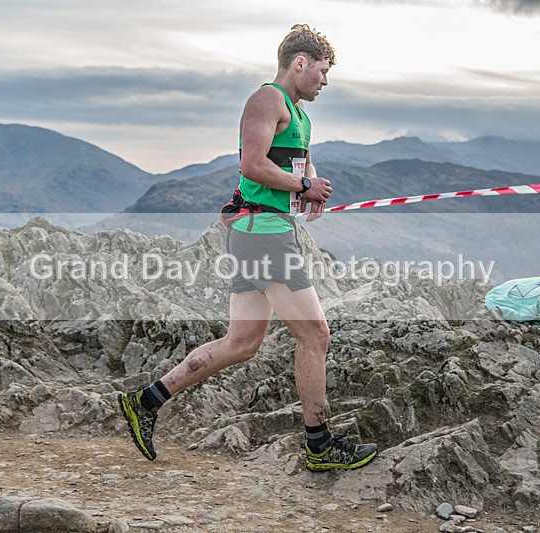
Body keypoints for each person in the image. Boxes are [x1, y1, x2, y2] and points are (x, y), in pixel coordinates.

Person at [117, 24, 378, 472]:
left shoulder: (300, 115)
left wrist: (307, 193)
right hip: (262, 235)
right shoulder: (267, 100)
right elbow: (252, 165)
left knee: (241, 342)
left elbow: (295, 168)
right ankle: (319, 445)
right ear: (300, 63)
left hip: (264, 230)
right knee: (315, 335)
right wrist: (303, 184)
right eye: (322, 70)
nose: (325, 80)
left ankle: (146, 400)